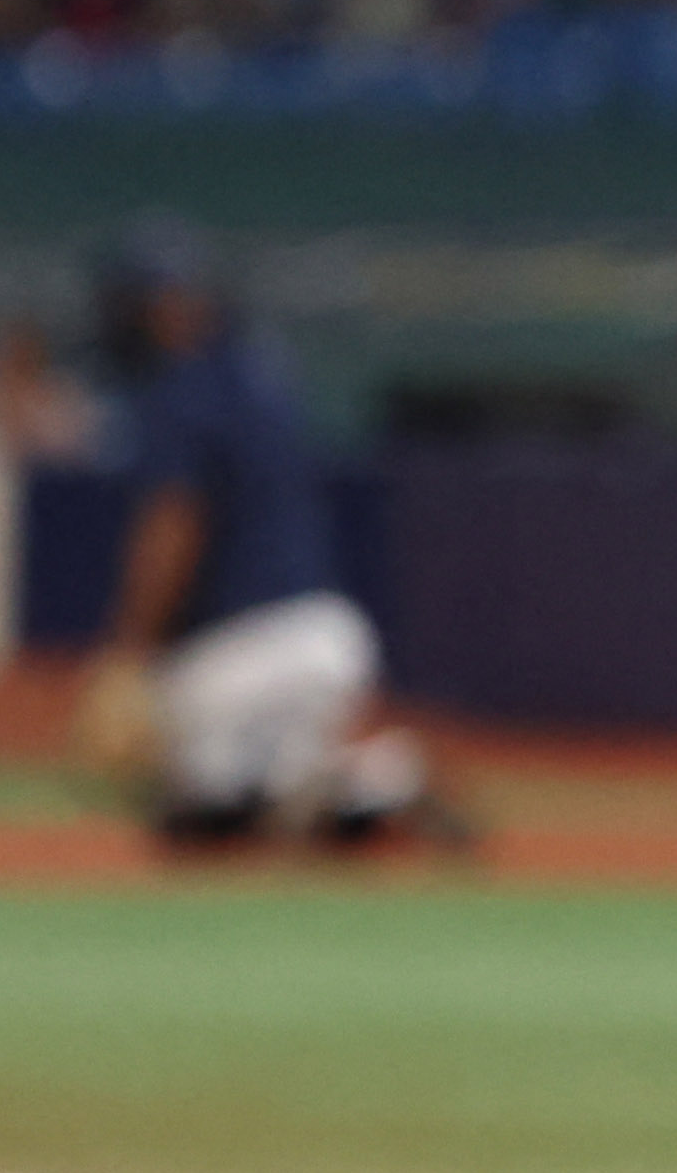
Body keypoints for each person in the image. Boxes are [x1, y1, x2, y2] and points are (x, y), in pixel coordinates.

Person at [76, 224, 446, 850]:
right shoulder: (261, 372)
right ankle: (378, 778)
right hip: (329, 637)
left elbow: (174, 526)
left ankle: (256, 795)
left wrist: (130, 651)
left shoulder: (180, 391)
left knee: (193, 816)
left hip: (236, 655)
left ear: (161, 308)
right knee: (274, 793)